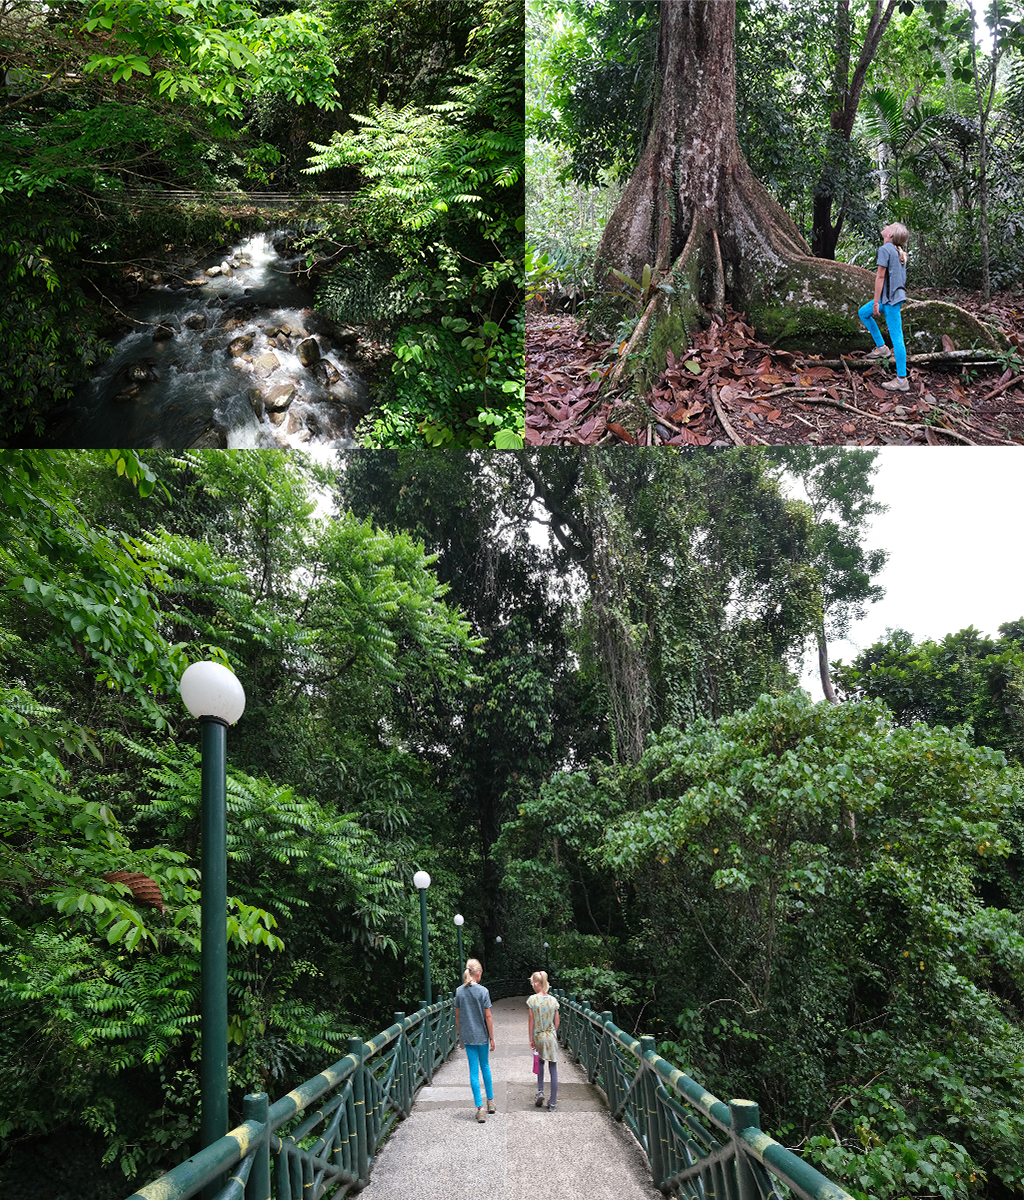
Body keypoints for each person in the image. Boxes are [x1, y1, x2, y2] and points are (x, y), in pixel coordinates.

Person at [858, 222, 912, 393]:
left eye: (889, 226)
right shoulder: (896, 251)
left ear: (890, 235)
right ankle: (882, 348)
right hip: (891, 298)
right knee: (863, 313)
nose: (886, 226)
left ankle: (902, 379)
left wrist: (876, 302)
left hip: (890, 301)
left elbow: (880, 278)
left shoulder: (885, 249)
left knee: (897, 339)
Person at [454, 958, 496, 1123]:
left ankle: (480, 1109)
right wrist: (491, 1037)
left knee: (473, 1071)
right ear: (478, 973)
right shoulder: (483, 991)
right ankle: (491, 1101)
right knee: (485, 1066)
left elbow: (458, 1016)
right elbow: (488, 1016)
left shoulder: (459, 991)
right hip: (482, 1036)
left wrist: (461, 1036)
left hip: (468, 1037)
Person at [527, 970, 560, 1111]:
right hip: (550, 1036)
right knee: (553, 1067)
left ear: (536, 983)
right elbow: (557, 1021)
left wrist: (531, 1038)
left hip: (539, 1036)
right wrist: (552, 1033)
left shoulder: (532, 1000)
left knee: (540, 1062)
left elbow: (531, 1021)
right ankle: (552, 1102)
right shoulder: (553, 1001)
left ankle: (540, 1091)